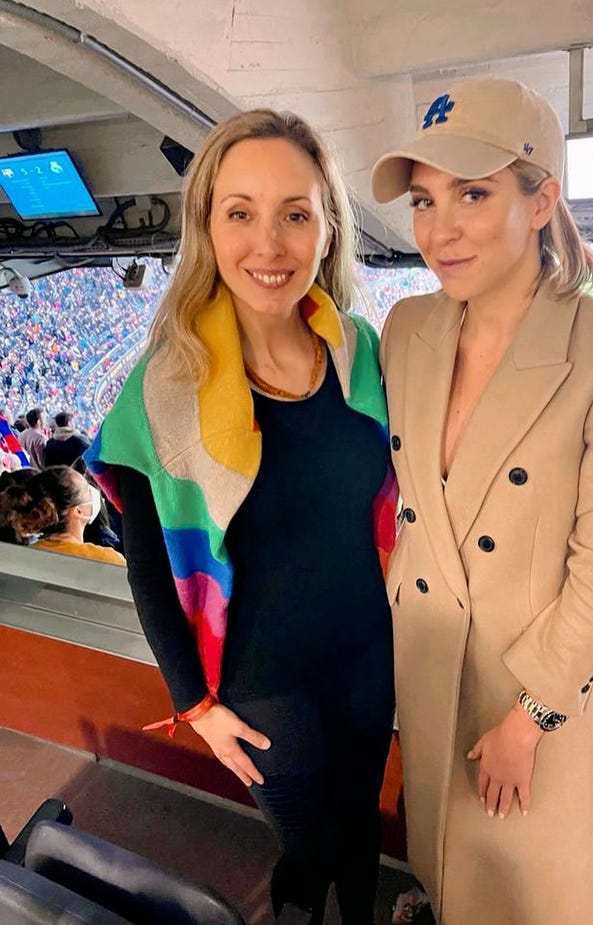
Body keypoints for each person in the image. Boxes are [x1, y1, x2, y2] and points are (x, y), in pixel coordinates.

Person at [371, 78, 593, 925]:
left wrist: (529, 717)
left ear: (542, 202)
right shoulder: (406, 330)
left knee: (523, 900)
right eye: (425, 200)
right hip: (426, 673)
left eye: (472, 193)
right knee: (444, 879)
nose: (439, 229)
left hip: (537, 695)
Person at [85, 109, 398, 924]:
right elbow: (148, 566)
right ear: (208, 227)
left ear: (328, 229)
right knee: (310, 846)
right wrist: (194, 704)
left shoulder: (362, 352)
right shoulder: (163, 388)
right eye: (240, 213)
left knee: (361, 828)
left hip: (369, 655)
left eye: (295, 213)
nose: (269, 244)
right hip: (262, 682)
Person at [1, 464, 125, 565]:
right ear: (78, 511)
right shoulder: (110, 560)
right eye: (87, 490)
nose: (93, 493)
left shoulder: (25, 558)